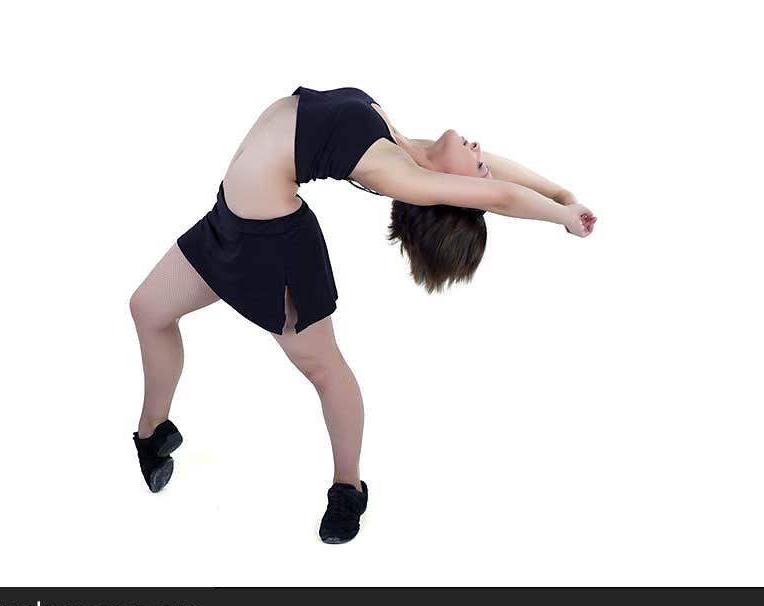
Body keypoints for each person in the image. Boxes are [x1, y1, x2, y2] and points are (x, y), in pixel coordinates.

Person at [129, 85, 597, 544]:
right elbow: (494, 175)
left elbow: (499, 197)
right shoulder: (404, 145)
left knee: (324, 368)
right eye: (481, 161)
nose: (480, 151)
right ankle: (153, 432)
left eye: (476, 166)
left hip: (273, 247)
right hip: (226, 222)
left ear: (452, 191)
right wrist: (558, 192)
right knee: (147, 308)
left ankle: (348, 488)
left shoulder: (402, 175)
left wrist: (564, 218)